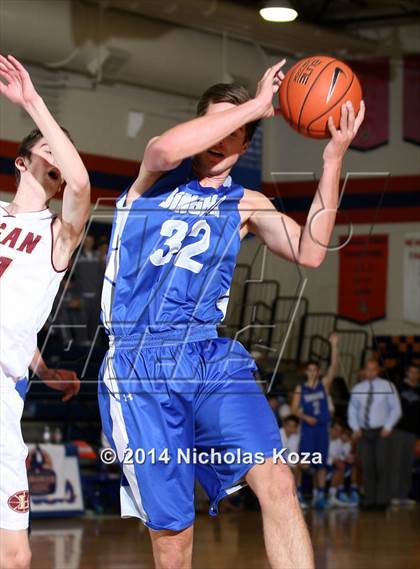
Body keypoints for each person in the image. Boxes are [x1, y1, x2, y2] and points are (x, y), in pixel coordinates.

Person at [98, 58, 364, 569]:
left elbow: (311, 251)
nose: (223, 141)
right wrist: (259, 105)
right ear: (200, 130)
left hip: (210, 356)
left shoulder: (247, 204)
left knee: (280, 481)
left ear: (245, 145)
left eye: (238, 132)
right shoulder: (157, 179)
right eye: (217, 126)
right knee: (173, 537)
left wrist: (332, 161)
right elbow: (162, 146)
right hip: (141, 364)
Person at [0, 55, 90, 569]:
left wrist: (34, 104)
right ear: (21, 163)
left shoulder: (57, 236)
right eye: (46, 149)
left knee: (15, 553)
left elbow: (81, 186)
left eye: (64, 151)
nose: (58, 156)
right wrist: (42, 366)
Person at [292, 333, 340, 509]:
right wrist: (305, 417)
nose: (312, 372)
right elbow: (294, 409)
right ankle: (296, 493)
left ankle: (320, 495)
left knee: (321, 464)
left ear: (318, 371)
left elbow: (334, 367)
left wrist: (333, 346)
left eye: (315, 369)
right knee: (303, 462)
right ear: (306, 371)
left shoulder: (324, 385)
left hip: (322, 427)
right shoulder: (300, 388)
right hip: (308, 427)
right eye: (309, 369)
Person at [348, 359, 401, 510]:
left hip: (381, 431)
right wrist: (355, 427)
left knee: (382, 465)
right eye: (368, 369)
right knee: (367, 466)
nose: (370, 372)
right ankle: (370, 500)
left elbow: (395, 408)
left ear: (378, 371)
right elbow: (352, 409)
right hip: (363, 432)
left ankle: (382, 500)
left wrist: (388, 426)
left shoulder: (387, 386)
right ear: (364, 371)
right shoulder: (358, 388)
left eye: (373, 369)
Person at [390, 363, 420, 506]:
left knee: (408, 464)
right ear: (407, 373)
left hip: (413, 433)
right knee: (396, 463)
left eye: (416, 372)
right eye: (411, 372)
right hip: (398, 430)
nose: (413, 375)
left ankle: (404, 495)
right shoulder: (397, 387)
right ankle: (394, 495)